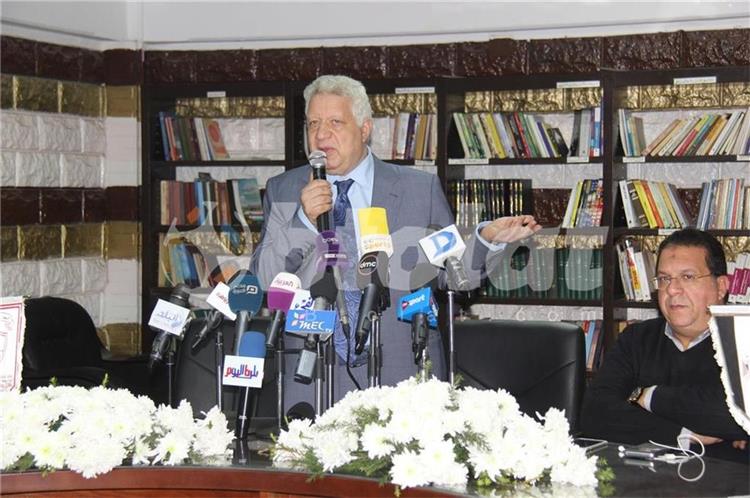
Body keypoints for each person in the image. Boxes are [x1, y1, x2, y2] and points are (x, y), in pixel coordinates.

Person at [250, 74, 540, 408]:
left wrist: (487, 240)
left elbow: (452, 273)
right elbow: (266, 281)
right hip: (311, 378)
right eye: (313, 123)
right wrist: (303, 221)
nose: (321, 134)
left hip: (401, 374)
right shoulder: (284, 189)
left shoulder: (419, 189)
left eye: (335, 122)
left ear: (365, 129)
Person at [581, 228, 749, 460]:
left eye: (687, 277)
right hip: (643, 477)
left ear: (721, 286)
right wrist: (682, 435)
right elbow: (594, 413)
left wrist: (646, 396)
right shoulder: (636, 339)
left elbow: (737, 417)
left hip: (727, 478)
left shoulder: (743, 340)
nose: (672, 289)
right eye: (664, 279)